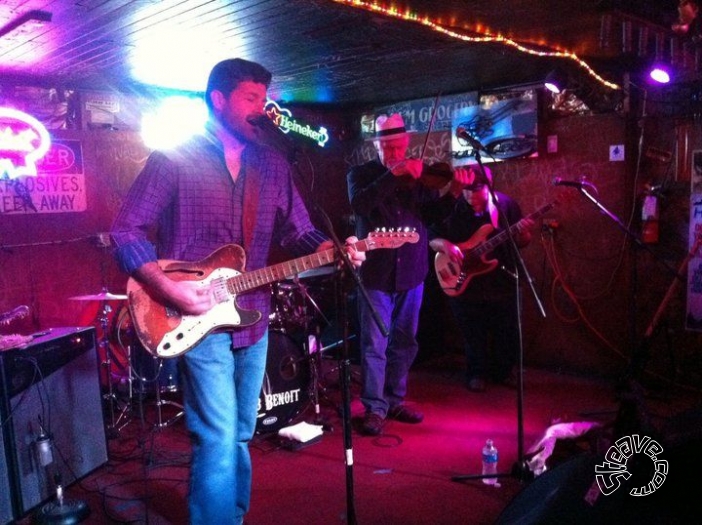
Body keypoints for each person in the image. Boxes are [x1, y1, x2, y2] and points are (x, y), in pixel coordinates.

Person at [110, 58, 365, 525]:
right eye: (251, 99)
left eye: (264, 100)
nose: (261, 109)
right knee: (218, 432)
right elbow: (126, 230)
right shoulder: (175, 158)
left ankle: (235, 514)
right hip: (194, 316)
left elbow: (302, 231)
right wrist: (171, 289)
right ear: (218, 100)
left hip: (253, 314)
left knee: (242, 431)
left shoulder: (271, 163)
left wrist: (336, 248)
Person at [347, 113, 469, 436]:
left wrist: (454, 192)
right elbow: (361, 205)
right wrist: (394, 175)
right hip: (375, 273)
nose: (392, 152)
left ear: (406, 144)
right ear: (377, 145)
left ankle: (394, 399)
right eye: (386, 146)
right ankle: (374, 408)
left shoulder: (419, 178)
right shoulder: (360, 175)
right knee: (375, 344)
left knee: (404, 341)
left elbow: (433, 216)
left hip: (412, 272)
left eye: (397, 146)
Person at [429, 166, 533, 392]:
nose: (469, 196)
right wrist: (446, 245)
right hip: (465, 282)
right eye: (465, 191)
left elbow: (522, 242)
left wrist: (524, 233)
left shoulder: (505, 206)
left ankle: (504, 372)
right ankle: (476, 373)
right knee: (472, 332)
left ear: (488, 187)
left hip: (501, 279)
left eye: (475, 191)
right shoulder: (452, 207)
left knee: (506, 330)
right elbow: (432, 237)